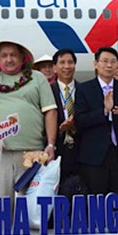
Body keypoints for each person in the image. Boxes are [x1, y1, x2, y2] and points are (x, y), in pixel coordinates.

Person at [0, 40, 57, 200]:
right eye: (4, 55)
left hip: (32, 152)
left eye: (13, 55)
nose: (9, 59)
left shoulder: (38, 77)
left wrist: (50, 144)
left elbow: (51, 111)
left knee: (30, 205)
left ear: (22, 57)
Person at [75, 47, 118, 202]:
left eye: (113, 62)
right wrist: (104, 111)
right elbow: (80, 120)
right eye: (105, 61)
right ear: (96, 64)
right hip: (94, 154)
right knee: (95, 200)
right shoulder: (84, 89)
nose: (109, 65)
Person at [49, 49, 79, 183]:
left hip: (80, 150)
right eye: (62, 62)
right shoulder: (47, 91)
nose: (67, 66)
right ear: (55, 67)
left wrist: (74, 127)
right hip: (56, 150)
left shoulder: (85, 89)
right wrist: (59, 130)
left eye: (70, 62)